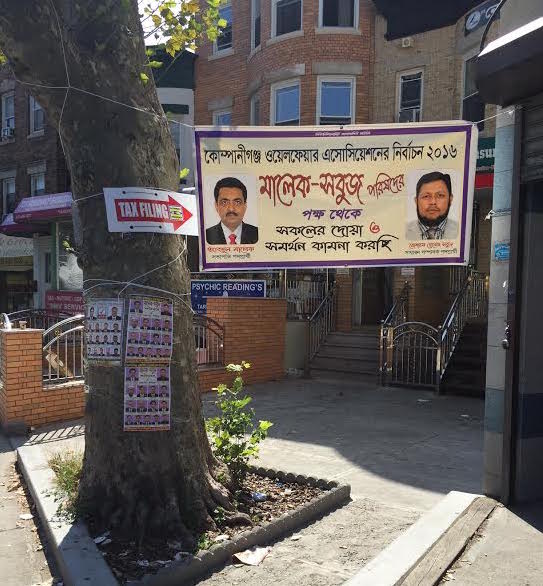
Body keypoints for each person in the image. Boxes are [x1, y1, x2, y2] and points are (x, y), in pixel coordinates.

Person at [406, 172, 459, 240]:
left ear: (450, 199)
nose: (433, 202)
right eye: (426, 196)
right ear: (416, 201)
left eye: (440, 195)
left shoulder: (461, 230)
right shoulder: (402, 231)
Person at [206, 177, 258, 245]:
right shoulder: (206, 236)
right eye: (224, 202)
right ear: (216, 206)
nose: (231, 209)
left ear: (245, 206)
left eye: (237, 202)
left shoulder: (258, 234)